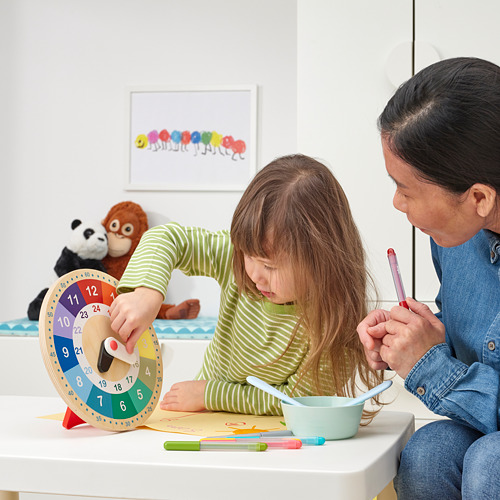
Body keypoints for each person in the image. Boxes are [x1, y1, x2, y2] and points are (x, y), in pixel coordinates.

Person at [110, 154, 384, 416]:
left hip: (270, 435)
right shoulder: (235, 259)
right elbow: (165, 237)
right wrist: (148, 293)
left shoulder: (334, 320)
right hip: (202, 418)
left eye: (270, 266)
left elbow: (299, 402)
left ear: (321, 260)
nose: (254, 273)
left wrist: (210, 395)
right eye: (248, 255)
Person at [357, 57, 500, 499]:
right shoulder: (454, 237)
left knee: (489, 462)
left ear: (478, 197)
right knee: (428, 451)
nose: (397, 204)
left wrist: (429, 364)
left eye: (407, 190)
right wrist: (419, 334)